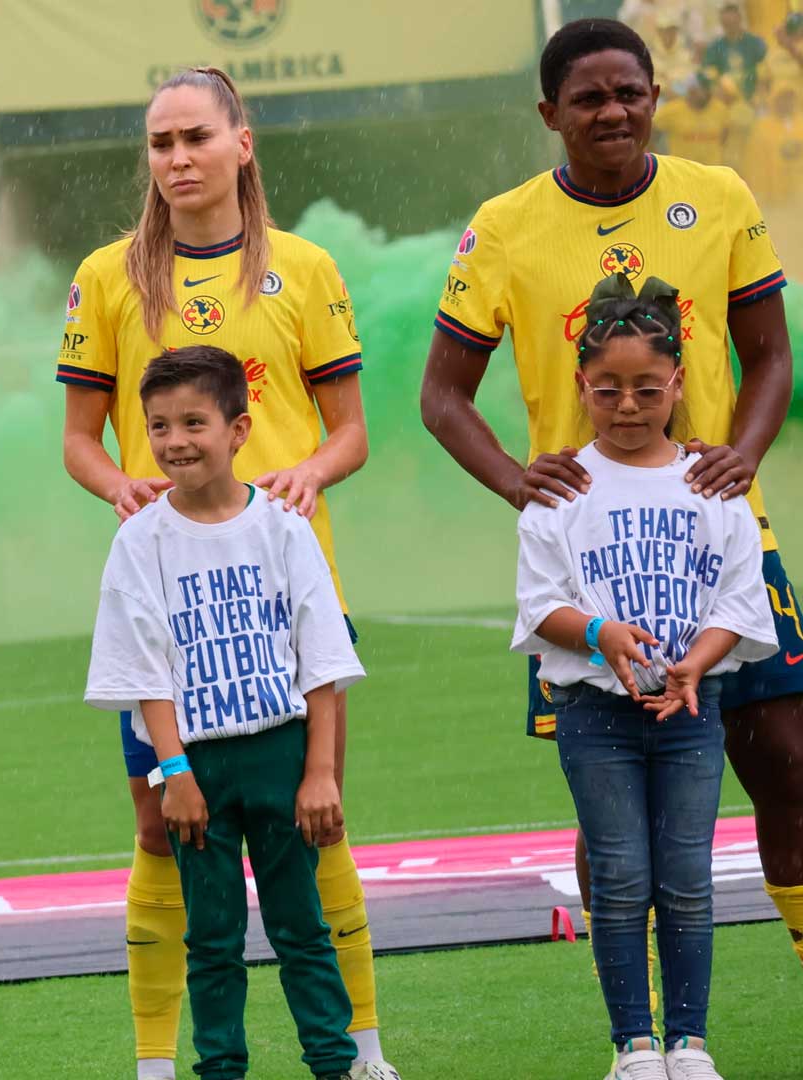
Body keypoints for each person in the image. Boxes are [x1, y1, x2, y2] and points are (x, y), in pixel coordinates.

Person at [420, 16, 803, 984]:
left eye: (630, 91)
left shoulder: (717, 198)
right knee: (618, 816)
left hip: (721, 541)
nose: (613, 111)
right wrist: (517, 478)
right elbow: (441, 397)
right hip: (589, 571)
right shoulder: (504, 227)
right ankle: (636, 1032)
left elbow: (770, 358)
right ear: (550, 113)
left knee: (793, 768)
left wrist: (743, 458)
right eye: (588, 97)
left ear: (657, 98)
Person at [54, 67, 391, 1080]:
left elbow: (351, 433)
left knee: (315, 826)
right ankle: (162, 1062)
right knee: (164, 829)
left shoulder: (304, 267)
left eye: (196, 136)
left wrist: (308, 473)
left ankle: (362, 1052)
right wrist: (119, 484)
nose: (178, 159)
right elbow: (79, 440)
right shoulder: (109, 277)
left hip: (287, 602)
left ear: (243, 143)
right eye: (160, 143)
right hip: (173, 611)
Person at [511, 272, 776, 1080]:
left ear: (678, 385)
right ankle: (633, 1044)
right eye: (608, 390)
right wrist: (600, 636)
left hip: (693, 709)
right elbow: (537, 604)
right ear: (581, 385)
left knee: (688, 876)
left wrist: (697, 664)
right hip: (596, 716)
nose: (627, 406)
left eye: (646, 389)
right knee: (621, 875)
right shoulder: (561, 491)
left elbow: (740, 597)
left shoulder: (713, 485)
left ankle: (689, 1042)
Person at [85, 346, 363, 1080]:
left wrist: (320, 772)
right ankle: (220, 1069)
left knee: (301, 926)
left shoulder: (282, 526)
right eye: (159, 426)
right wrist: (172, 772)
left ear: (239, 429)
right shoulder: (139, 541)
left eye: (194, 423)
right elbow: (143, 669)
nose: (175, 441)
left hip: (282, 755)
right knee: (211, 938)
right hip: (195, 768)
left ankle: (337, 1064)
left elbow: (322, 660)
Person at [702, 3, 766, 102]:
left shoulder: (756, 43)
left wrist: (759, 95)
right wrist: (718, 90)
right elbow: (709, 74)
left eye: (733, 22)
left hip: (754, 97)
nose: (730, 26)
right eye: (726, 24)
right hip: (727, 100)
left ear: (739, 19)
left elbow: (765, 71)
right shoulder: (714, 47)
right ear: (722, 24)